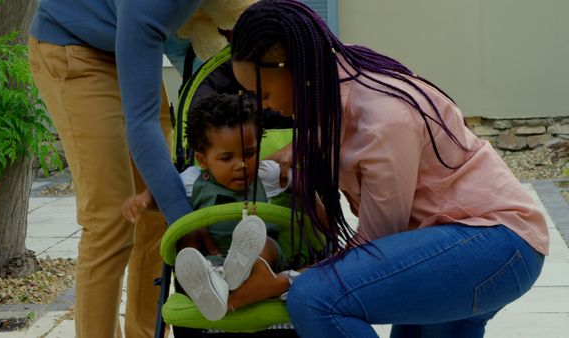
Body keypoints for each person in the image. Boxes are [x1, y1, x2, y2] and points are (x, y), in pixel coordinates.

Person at [229, 1, 549, 337]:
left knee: (314, 298)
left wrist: (285, 281)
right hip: (456, 242)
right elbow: (329, 137)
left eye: (261, 92)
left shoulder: (383, 121)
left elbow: (377, 242)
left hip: (492, 242)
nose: (261, 105)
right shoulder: (335, 73)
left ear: (294, 67)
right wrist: (287, 161)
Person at [27, 1, 257, 337]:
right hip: (74, 48)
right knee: (110, 219)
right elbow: (143, 123)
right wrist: (184, 221)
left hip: (127, 43)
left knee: (154, 215)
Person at [123, 93, 293, 321]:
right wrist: (144, 200)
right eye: (226, 158)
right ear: (203, 160)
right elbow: (166, 195)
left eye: (250, 153)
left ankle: (236, 273)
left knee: (265, 242)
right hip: (215, 260)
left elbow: (299, 182)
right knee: (187, 244)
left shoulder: (265, 173)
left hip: (261, 263)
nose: (241, 165)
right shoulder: (193, 179)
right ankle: (211, 285)